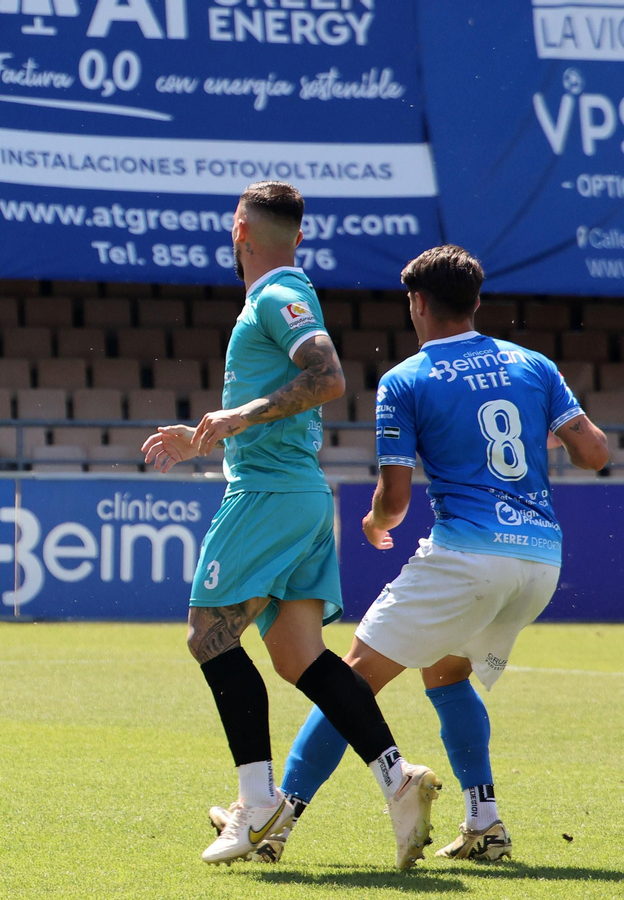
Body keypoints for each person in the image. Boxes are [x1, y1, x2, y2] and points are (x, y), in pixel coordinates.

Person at [252, 245, 610, 861]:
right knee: (446, 673)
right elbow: (595, 453)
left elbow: (395, 500)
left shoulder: (406, 379)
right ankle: (485, 824)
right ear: (476, 301)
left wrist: (372, 521)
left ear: (417, 303)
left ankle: (274, 824)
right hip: (540, 559)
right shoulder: (534, 364)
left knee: (350, 679)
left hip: (469, 558)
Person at [142, 181, 440, 869]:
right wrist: (210, 436)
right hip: (299, 492)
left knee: (209, 635)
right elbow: (293, 394)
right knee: (298, 657)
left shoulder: (276, 295)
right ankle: (398, 780)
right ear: (298, 236)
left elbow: (329, 376)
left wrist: (236, 418)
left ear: (239, 228)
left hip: (269, 496)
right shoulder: (280, 296)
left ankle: (258, 803)